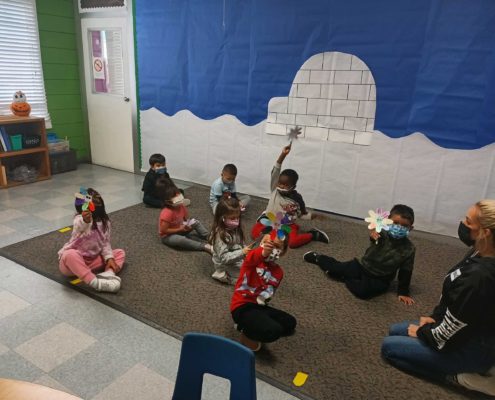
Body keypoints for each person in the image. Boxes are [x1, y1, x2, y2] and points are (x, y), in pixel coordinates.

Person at [381, 200, 495, 393]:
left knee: (389, 348)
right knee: (395, 330)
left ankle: (461, 378)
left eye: (468, 221)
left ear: (485, 232)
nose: (462, 224)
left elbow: (446, 337)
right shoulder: (481, 250)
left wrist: (423, 332)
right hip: (464, 330)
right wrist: (435, 318)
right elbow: (455, 300)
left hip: (472, 346)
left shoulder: (480, 278)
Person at [304, 204, 416, 303]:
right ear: (387, 220)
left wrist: (403, 292)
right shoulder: (382, 232)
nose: (399, 227)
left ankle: (344, 278)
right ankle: (318, 258)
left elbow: (406, 271)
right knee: (336, 267)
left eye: (404, 226)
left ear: (410, 228)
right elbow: (374, 236)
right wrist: (373, 235)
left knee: (363, 293)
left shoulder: (409, 249)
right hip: (362, 266)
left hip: (381, 278)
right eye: (395, 223)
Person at [251, 143, 328, 248]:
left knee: (292, 243)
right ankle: (273, 234)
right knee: (255, 235)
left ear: (293, 186)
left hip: (287, 226)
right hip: (269, 219)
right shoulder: (275, 190)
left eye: (285, 185)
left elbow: (302, 214)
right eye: (280, 183)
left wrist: (314, 216)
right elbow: (276, 169)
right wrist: (283, 154)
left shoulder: (297, 199)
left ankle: (313, 234)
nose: (281, 186)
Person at [230, 232, 296, 351]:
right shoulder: (252, 261)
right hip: (242, 306)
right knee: (273, 331)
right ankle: (245, 333)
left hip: (259, 307)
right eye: (266, 244)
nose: (270, 248)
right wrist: (263, 253)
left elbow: (267, 294)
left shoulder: (278, 272)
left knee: (290, 323)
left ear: (283, 251)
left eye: (276, 246)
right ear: (261, 244)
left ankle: (251, 324)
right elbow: (253, 256)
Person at [58, 188, 125, 293]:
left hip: (92, 261)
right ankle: (95, 283)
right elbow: (78, 225)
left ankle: (108, 274)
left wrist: (109, 258)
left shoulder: (105, 223)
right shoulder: (79, 219)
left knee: (119, 253)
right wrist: (85, 220)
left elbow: (105, 243)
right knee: (69, 254)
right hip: (71, 265)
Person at [209, 197, 251, 284]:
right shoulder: (220, 235)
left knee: (256, 269)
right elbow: (224, 258)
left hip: (237, 256)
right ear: (222, 218)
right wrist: (242, 252)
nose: (236, 221)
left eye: (237, 218)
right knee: (247, 280)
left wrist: (246, 250)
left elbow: (241, 243)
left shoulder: (235, 228)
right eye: (232, 218)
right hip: (226, 263)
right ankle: (222, 275)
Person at [158, 185, 212, 253]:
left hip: (180, 229)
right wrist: (179, 229)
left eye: (178, 194)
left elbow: (187, 219)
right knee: (180, 240)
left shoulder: (181, 206)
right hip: (168, 236)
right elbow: (164, 230)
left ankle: (209, 237)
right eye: (175, 196)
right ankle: (204, 246)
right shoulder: (167, 213)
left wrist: (187, 225)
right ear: (168, 202)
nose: (179, 197)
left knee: (195, 222)